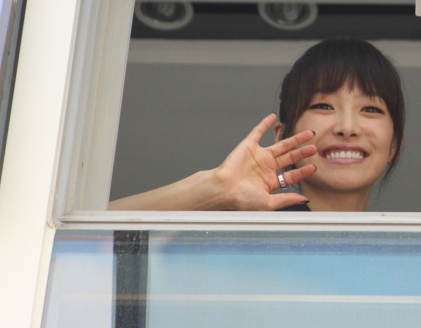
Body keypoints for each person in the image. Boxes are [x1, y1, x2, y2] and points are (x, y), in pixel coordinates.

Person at [108, 38, 405, 212]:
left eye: (370, 109)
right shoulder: (245, 236)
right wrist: (216, 188)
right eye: (323, 106)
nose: (348, 127)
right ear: (283, 136)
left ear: (395, 145)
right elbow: (87, 235)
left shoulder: (410, 253)